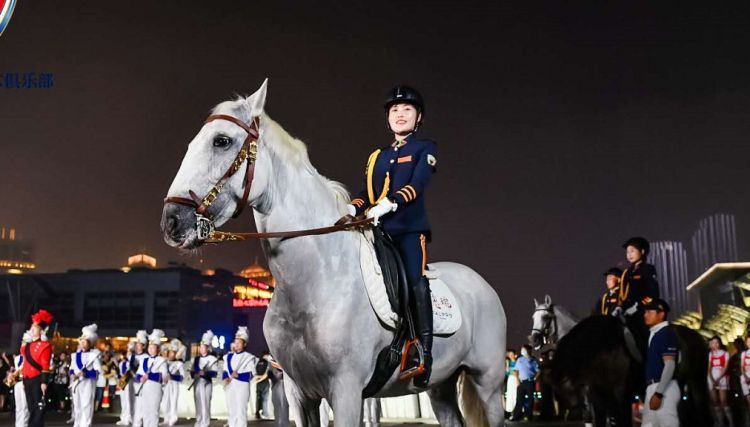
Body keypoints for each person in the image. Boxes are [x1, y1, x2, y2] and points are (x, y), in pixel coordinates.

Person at [346, 85, 438, 387]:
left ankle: (424, 352)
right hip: (375, 230)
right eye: (394, 110)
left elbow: (418, 183)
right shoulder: (377, 156)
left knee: (414, 281)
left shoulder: (424, 148)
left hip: (407, 230)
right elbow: (365, 192)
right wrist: (353, 206)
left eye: (407, 110)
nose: (400, 114)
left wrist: (392, 203)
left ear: (418, 116)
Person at [641, 299, 679, 427]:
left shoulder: (665, 334)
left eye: (649, 312)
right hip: (653, 388)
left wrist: (659, 393)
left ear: (661, 314)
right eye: (645, 312)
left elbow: (670, 365)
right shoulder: (655, 334)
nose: (645, 315)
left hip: (664, 389)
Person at [21, 309, 54, 427]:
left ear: (41, 330)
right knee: (31, 407)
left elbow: (45, 365)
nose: (32, 328)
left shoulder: (45, 346)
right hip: (27, 379)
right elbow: (24, 358)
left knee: (38, 407)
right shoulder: (28, 344)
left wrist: (44, 382)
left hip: (37, 379)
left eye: (35, 326)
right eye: (32, 326)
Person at [133, 330, 169, 427]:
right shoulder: (144, 360)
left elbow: (164, 377)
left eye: (153, 347)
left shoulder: (162, 361)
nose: (151, 349)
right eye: (150, 347)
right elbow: (138, 374)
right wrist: (141, 378)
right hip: (145, 389)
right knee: (145, 411)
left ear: (158, 349)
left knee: (153, 412)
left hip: (155, 389)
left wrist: (150, 376)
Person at [223, 326, 257, 427]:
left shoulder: (249, 357)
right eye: (235, 342)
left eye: (239, 342)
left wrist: (238, 376)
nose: (236, 344)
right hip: (230, 385)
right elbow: (225, 370)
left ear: (245, 344)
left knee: (241, 410)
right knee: (231, 409)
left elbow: (251, 374)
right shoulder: (228, 356)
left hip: (242, 386)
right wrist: (225, 378)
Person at [70, 324, 101, 427]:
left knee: (86, 404)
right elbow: (71, 369)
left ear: (89, 343)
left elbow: (98, 371)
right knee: (77, 404)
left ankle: (86, 424)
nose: (82, 343)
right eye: (81, 341)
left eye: (85, 341)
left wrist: (86, 373)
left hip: (88, 383)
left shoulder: (94, 356)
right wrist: (73, 375)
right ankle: (77, 423)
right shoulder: (75, 356)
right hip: (76, 382)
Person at [192, 330, 218, 427]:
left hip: (206, 382)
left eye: (204, 347)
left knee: (205, 403)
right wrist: (195, 373)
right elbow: (192, 371)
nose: (202, 349)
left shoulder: (212, 359)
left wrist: (205, 373)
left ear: (208, 348)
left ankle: (205, 422)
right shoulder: (196, 359)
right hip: (197, 383)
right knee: (198, 402)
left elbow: (214, 373)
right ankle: (198, 421)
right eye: (201, 347)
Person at [708, 335, 732, 426]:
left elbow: (725, 367)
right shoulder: (710, 354)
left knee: (723, 401)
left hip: (722, 379)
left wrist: (718, 379)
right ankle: (720, 422)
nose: (715, 344)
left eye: (717, 342)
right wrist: (712, 379)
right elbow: (709, 368)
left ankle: (730, 422)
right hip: (712, 379)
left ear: (719, 343)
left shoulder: (725, 353)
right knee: (715, 402)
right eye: (713, 342)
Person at [511, 344, 538, 421]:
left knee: (530, 400)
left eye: (524, 349)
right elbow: (515, 370)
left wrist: (535, 378)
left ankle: (528, 416)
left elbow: (538, 370)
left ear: (529, 350)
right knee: (519, 399)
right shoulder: (520, 360)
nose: (522, 350)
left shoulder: (533, 360)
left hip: (530, 382)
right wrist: (517, 379)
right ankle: (516, 416)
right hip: (521, 382)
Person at [163, 339, 186, 427]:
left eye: (174, 352)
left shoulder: (179, 364)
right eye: (170, 352)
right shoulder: (165, 362)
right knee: (166, 402)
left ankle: (173, 418)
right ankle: (166, 418)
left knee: (173, 401)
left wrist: (172, 377)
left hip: (174, 384)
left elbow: (182, 376)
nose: (171, 354)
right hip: (166, 384)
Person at [13, 332, 31, 427]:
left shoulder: (30, 357)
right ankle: (18, 425)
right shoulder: (17, 358)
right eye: (22, 342)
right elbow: (16, 370)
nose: (22, 344)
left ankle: (24, 425)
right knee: (18, 407)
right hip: (17, 383)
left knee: (25, 406)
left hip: (26, 382)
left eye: (24, 342)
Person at [115, 345, 134, 426]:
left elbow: (130, 371)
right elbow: (120, 374)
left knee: (129, 401)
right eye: (128, 352)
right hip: (123, 384)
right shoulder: (121, 363)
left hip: (129, 383)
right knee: (123, 401)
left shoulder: (130, 363)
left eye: (130, 353)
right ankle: (123, 418)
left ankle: (130, 418)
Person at [254, 350, 270, 420]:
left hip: (258, 383)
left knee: (258, 398)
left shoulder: (258, 362)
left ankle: (257, 413)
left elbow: (255, 373)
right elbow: (266, 374)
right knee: (265, 399)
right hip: (265, 382)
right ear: (265, 355)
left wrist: (257, 379)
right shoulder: (267, 362)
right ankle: (265, 413)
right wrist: (261, 378)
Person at [504, 348, 518, 419]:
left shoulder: (517, 362)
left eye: (512, 354)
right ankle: (510, 411)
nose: (510, 355)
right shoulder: (508, 362)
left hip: (515, 379)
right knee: (510, 395)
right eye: (509, 354)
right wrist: (507, 365)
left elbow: (517, 372)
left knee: (515, 395)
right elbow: (506, 373)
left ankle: (516, 411)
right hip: (510, 379)